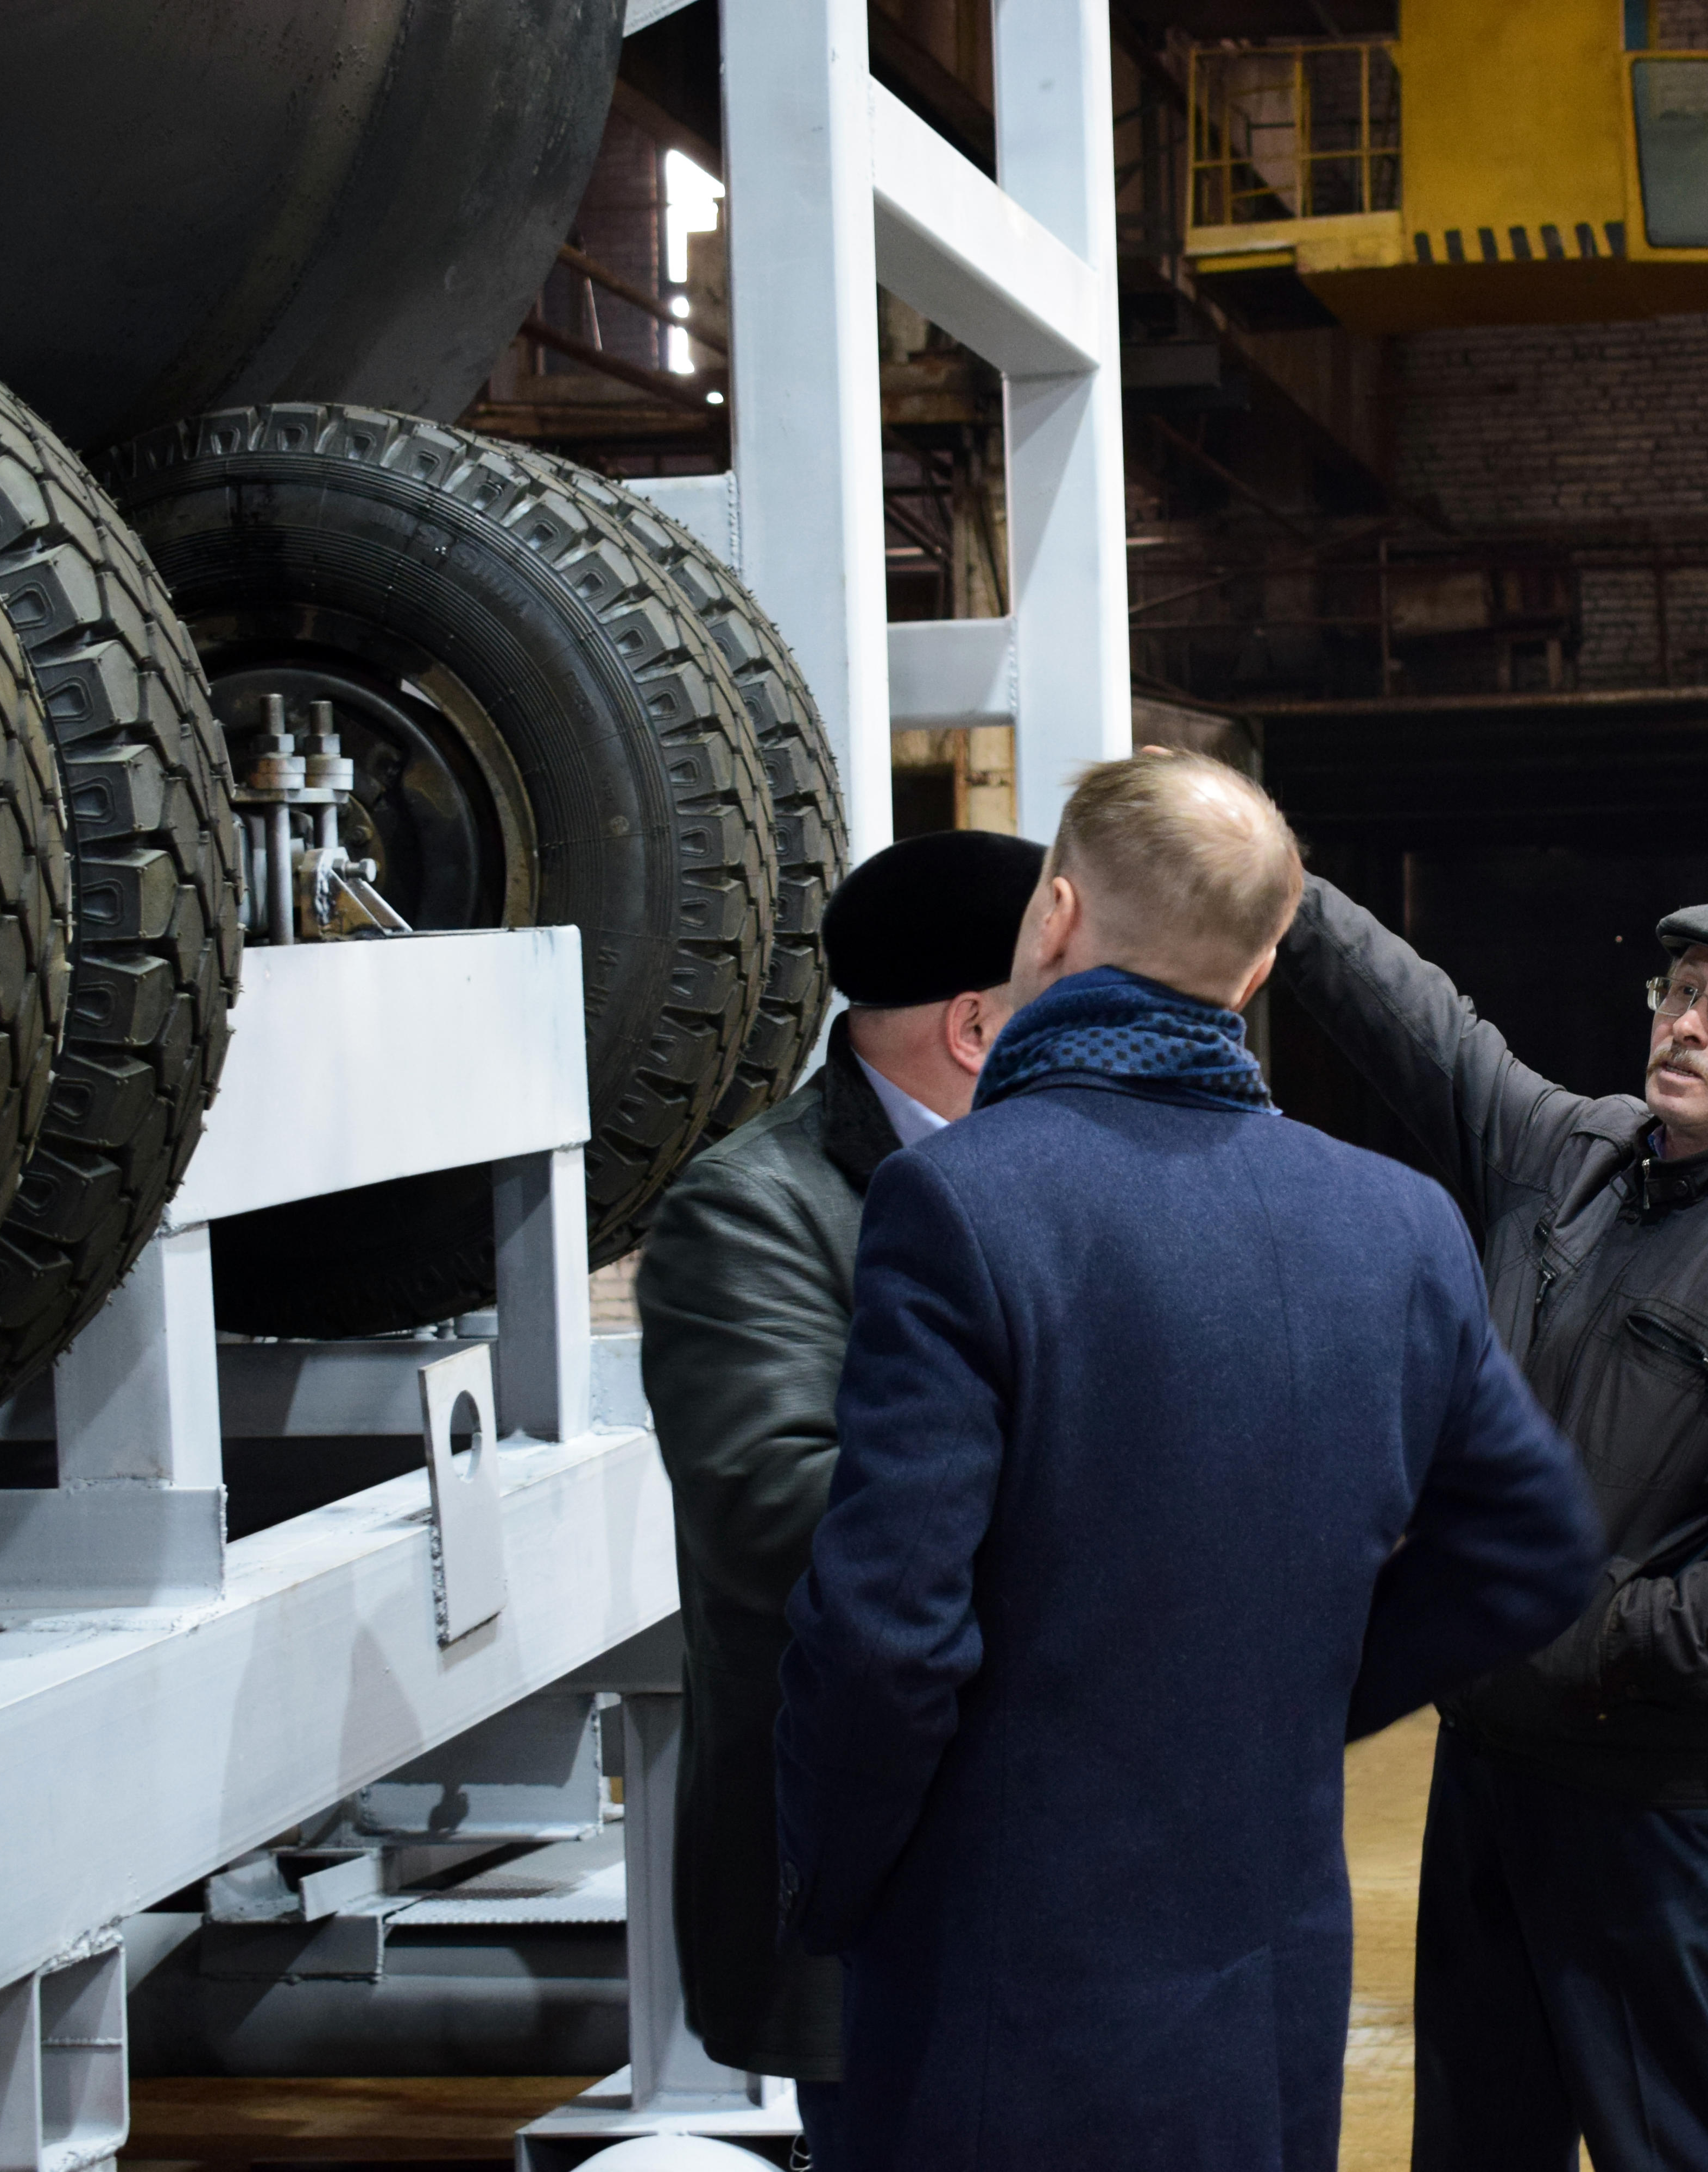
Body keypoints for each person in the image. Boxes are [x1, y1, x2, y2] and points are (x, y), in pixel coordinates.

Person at [773, 749, 1604, 2172]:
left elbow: (887, 1635)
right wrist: (1288, 1697)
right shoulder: (1396, 1222)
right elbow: (1535, 1548)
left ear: (1053, 917)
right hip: (1270, 1979)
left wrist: (831, 1893)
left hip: (1008, 1981)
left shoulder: (959, 1204)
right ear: (1267, 961)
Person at [1276, 874, 1708, 2172]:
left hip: (1643, 1798)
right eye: (1679, 993)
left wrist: (1607, 1634)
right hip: (1488, 1757)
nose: (1687, 1025)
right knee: (1480, 2134)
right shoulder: (1577, 1154)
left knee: (1678, 2137)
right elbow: (1429, 1031)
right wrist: (1288, 889)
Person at [635, 827, 1043, 2165]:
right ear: (980, 1025)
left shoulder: (1046, 1175)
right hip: (884, 1868)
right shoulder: (753, 1211)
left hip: (1054, 1851)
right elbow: (783, 1510)